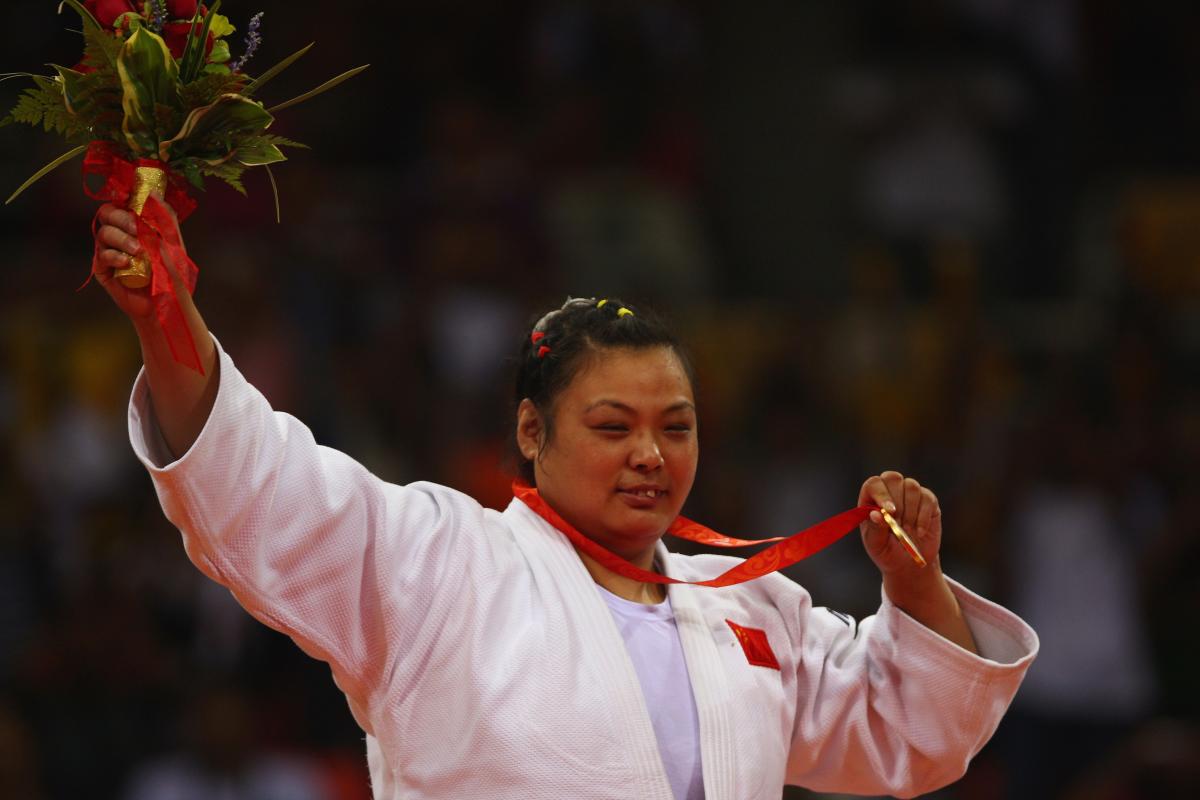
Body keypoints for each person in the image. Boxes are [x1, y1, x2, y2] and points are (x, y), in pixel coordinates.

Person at [92, 203, 1038, 800]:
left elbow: (905, 733)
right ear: (532, 434)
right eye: (613, 425)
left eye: (676, 426)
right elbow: (266, 489)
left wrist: (912, 588)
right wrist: (166, 322)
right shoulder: (441, 563)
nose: (650, 456)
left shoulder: (748, 606)